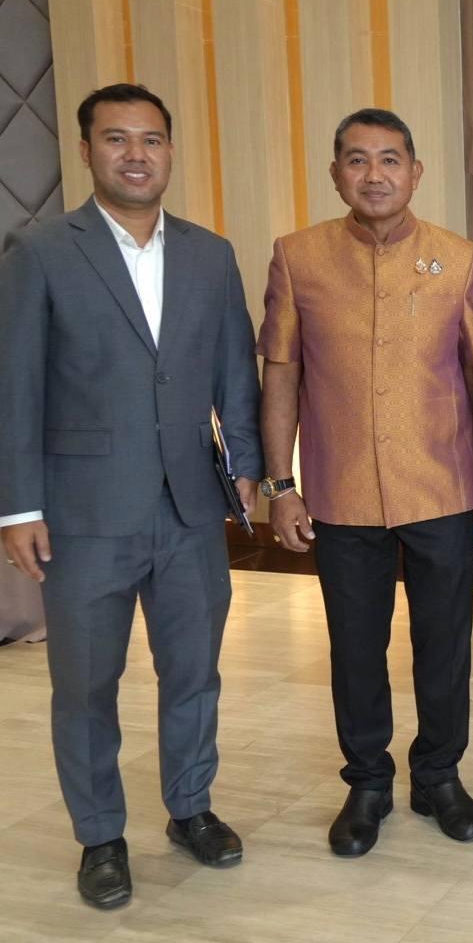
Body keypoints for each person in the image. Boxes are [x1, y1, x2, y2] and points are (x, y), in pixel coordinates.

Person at [0, 83, 261, 908]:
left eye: (151, 139)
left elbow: (235, 371)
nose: (136, 155)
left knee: (195, 671)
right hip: (82, 514)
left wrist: (248, 466)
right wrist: (17, 507)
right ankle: (100, 836)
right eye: (117, 139)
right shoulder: (41, 250)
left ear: (170, 150)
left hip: (189, 507)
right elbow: (15, 385)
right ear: (87, 151)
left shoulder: (210, 254)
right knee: (85, 684)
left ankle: (190, 808)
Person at [257, 108, 473, 857]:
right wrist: (280, 485)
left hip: (442, 485)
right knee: (354, 646)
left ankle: (439, 776)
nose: (374, 174)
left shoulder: (459, 259)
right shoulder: (299, 257)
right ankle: (366, 781)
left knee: (443, 644)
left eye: (390, 159)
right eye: (357, 160)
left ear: (415, 173)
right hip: (342, 487)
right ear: (336, 175)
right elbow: (282, 373)